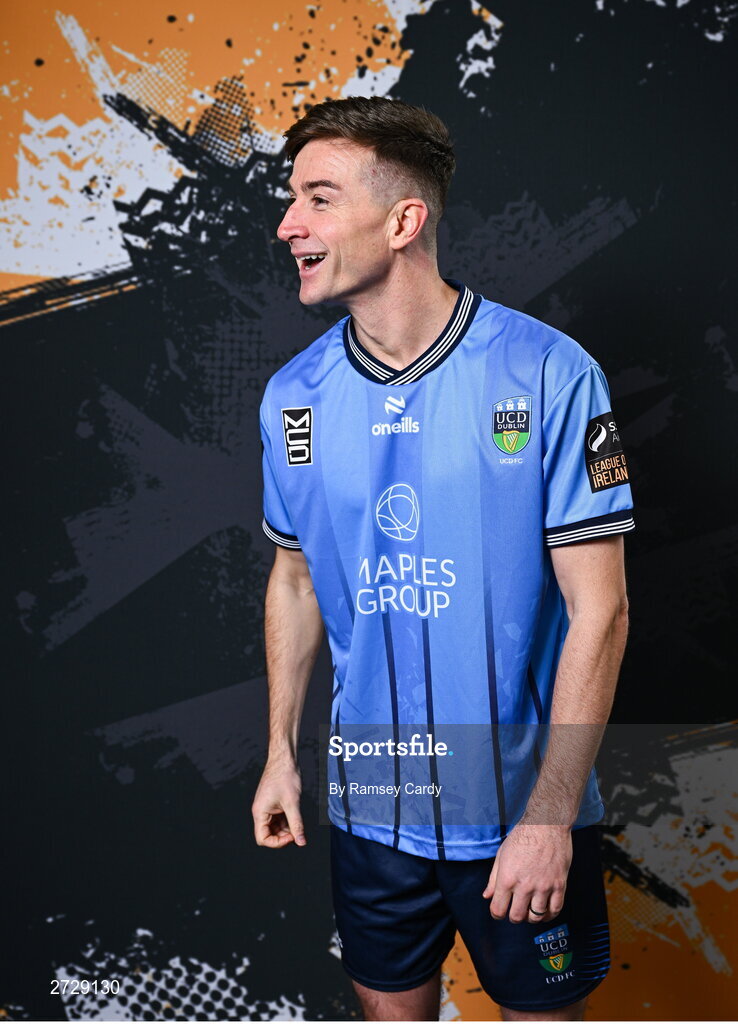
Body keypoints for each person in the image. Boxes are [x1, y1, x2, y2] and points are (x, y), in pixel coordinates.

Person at [252, 96, 633, 1022]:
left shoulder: (548, 373)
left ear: (403, 220)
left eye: (318, 197)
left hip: (519, 810)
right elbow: (295, 577)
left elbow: (602, 611)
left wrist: (548, 818)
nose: (288, 222)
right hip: (373, 808)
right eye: (291, 197)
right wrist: (279, 753)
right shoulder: (292, 399)